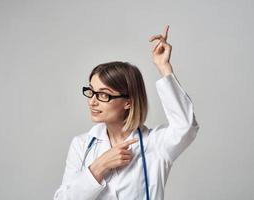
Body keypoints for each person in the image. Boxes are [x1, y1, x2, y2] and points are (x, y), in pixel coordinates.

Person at [53, 25, 200, 200]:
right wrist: (99, 166)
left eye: (103, 94)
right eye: (91, 91)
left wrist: (164, 67)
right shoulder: (82, 145)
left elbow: (186, 127)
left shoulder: (155, 145)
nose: (92, 101)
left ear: (128, 102)